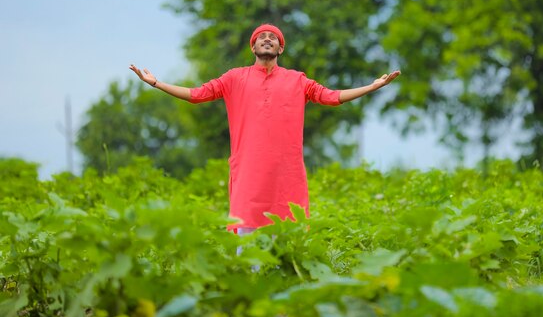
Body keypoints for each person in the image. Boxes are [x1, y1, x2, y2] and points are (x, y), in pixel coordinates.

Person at [130, 23, 400, 234]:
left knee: (287, 238)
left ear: (280, 49)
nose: (268, 39)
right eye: (262, 36)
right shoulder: (234, 78)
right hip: (248, 174)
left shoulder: (298, 80)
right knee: (249, 246)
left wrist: (372, 87)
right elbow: (197, 93)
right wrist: (157, 83)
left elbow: (332, 96)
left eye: (274, 37)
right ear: (253, 47)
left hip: (286, 176)